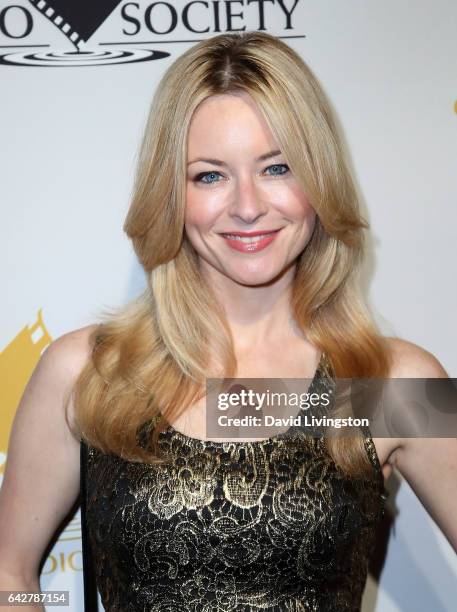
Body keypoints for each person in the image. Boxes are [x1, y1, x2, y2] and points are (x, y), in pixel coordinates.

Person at [0, 30, 456, 612]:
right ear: (171, 193)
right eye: (209, 175)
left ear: (320, 180)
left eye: (278, 167)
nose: (247, 205)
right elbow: (9, 570)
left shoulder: (386, 385)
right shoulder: (91, 372)